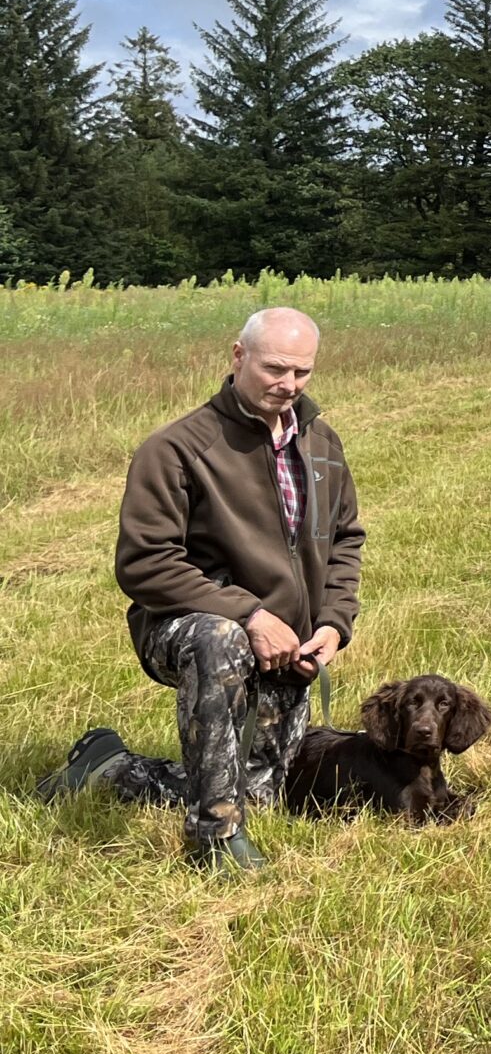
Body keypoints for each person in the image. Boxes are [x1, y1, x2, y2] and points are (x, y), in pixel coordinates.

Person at [40, 308, 364, 873]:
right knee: (221, 637)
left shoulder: (322, 444)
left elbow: (344, 541)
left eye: (303, 372)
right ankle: (215, 836)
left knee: (263, 790)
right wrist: (250, 614)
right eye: (275, 368)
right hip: (189, 627)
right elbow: (144, 564)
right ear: (238, 356)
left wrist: (333, 624)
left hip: (289, 645)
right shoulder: (175, 449)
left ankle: (109, 766)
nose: (288, 385)